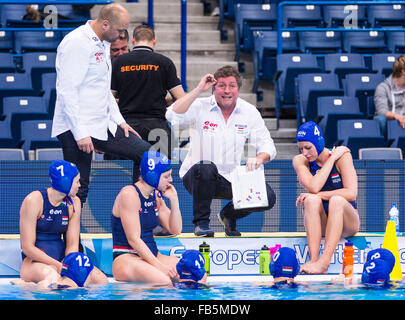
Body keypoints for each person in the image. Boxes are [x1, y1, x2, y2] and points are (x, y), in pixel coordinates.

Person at [51, 3, 151, 208]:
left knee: (147, 155)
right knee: (77, 186)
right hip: (75, 126)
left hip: (101, 123)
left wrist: (121, 122)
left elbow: (103, 90)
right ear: (105, 24)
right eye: (120, 29)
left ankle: (139, 213)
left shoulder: (103, 43)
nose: (122, 34)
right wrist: (80, 133)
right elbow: (67, 92)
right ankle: (70, 239)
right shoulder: (77, 43)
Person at [166, 65, 277, 237]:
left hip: (230, 178)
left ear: (238, 90)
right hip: (196, 176)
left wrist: (260, 158)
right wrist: (197, 90)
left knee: (268, 196)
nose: (227, 91)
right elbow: (171, 115)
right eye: (221, 86)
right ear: (213, 89)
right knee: (206, 167)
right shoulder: (200, 106)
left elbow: (268, 145)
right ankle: (201, 224)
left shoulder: (249, 112)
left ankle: (228, 215)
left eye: (232, 86)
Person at [18, 160, 105, 286]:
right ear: (65, 182)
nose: (79, 185)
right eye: (76, 181)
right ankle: (27, 286)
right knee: (52, 277)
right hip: (34, 262)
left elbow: (72, 245)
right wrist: (59, 266)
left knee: (100, 279)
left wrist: (69, 266)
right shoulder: (34, 200)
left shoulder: (74, 203)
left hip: (63, 260)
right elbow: (27, 248)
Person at [293, 121, 360, 274]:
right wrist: (330, 159)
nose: (304, 153)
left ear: (319, 143)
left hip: (347, 222)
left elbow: (351, 193)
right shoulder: (300, 161)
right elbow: (314, 187)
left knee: (336, 201)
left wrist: (333, 158)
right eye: (301, 148)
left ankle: (324, 262)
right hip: (323, 223)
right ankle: (313, 260)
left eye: (308, 147)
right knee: (310, 199)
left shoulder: (342, 157)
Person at [111, 24, 185, 159]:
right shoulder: (165, 63)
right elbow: (181, 99)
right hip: (158, 129)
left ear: (132, 41)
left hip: (126, 127)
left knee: (121, 175)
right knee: (159, 175)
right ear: (154, 41)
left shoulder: (118, 63)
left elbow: (108, 100)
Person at [111, 151, 182, 285]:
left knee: (195, 273)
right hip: (127, 259)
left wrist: (174, 199)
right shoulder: (129, 194)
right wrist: (160, 267)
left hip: (153, 256)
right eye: (166, 176)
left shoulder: (156, 196)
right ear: (152, 176)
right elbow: (134, 240)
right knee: (163, 280)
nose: (171, 180)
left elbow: (175, 229)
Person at [374, 55, 405, 136]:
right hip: (391, 123)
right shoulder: (383, 87)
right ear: (403, 71)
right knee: (380, 119)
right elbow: (382, 111)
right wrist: (398, 117)